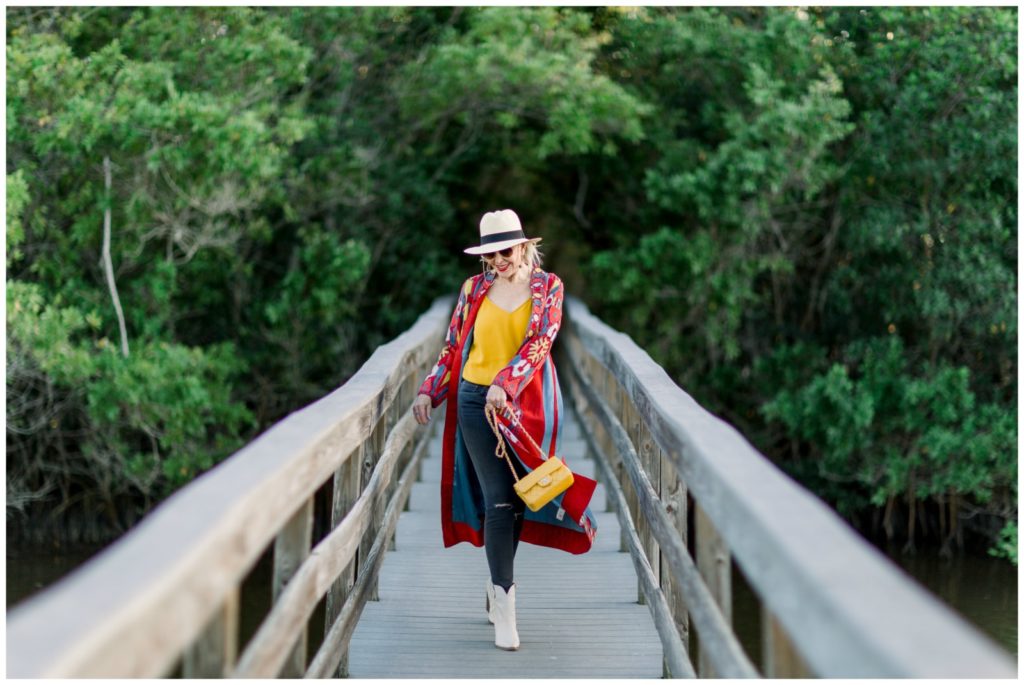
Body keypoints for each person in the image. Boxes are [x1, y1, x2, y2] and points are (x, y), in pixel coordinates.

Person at [412, 209, 597, 651]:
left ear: (523, 246)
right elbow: (454, 345)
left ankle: (497, 588)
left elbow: (541, 342)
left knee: (518, 499)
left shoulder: (547, 288)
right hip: (475, 401)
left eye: (505, 250)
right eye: (490, 253)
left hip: (524, 406)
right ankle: (506, 607)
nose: (498, 260)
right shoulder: (474, 289)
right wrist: (429, 390)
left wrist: (506, 382)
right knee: (498, 498)